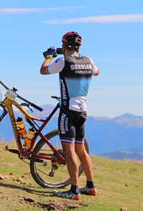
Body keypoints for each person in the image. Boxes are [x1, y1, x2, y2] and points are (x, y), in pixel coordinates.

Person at [40, 31, 99, 200]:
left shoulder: (62, 61)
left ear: (64, 45)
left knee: (69, 150)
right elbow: (97, 72)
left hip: (68, 111)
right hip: (83, 111)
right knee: (81, 149)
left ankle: (74, 190)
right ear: (79, 46)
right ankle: (90, 185)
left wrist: (49, 56)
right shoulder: (89, 61)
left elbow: (43, 70)